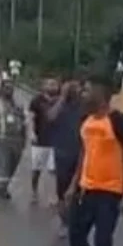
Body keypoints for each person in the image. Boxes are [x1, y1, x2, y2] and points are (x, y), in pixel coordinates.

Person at [65, 77, 123, 246]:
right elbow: (84, 153)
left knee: (102, 241)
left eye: (87, 90)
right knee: (76, 238)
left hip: (110, 193)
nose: (83, 94)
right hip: (86, 189)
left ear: (100, 92)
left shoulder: (119, 121)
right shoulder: (86, 120)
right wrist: (73, 185)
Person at [47, 79, 86, 237]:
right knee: (62, 191)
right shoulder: (59, 104)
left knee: (77, 191)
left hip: (80, 154)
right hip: (62, 154)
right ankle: (64, 221)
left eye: (76, 88)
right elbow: (50, 117)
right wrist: (62, 98)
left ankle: (73, 222)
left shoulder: (83, 108)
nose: (73, 91)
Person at [0, 76, 28, 199]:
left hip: (17, 141)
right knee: (4, 164)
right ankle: (2, 189)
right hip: (3, 140)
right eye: (6, 88)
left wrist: (24, 139)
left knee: (13, 166)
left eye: (11, 88)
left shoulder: (18, 105)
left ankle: (4, 184)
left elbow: (24, 122)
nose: (9, 90)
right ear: (2, 89)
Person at [29, 78, 60, 204]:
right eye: (50, 84)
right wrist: (31, 132)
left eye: (55, 84)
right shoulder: (37, 100)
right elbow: (31, 117)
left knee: (54, 170)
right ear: (44, 86)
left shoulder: (60, 101)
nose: (53, 86)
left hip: (55, 141)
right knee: (37, 168)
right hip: (40, 140)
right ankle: (34, 191)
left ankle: (55, 195)